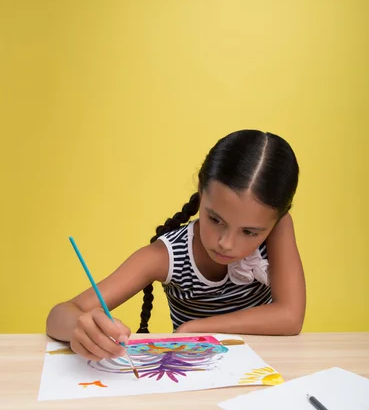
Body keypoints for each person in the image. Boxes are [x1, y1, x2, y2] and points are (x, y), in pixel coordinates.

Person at [46, 129, 306, 361]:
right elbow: (58, 315)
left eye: (249, 232)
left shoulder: (279, 228)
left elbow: (290, 317)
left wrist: (197, 328)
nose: (226, 243)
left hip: (263, 372)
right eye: (215, 219)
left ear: (276, 219)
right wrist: (82, 326)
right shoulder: (167, 256)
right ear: (201, 192)